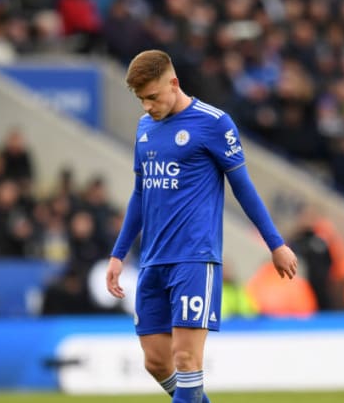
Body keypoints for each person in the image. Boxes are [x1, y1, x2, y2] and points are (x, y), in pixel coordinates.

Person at [105, 49, 298, 403]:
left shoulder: (213, 122)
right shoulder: (145, 127)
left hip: (195, 259)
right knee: (156, 361)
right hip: (152, 260)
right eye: (140, 99)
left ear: (173, 83)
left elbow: (244, 188)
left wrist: (276, 244)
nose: (147, 106)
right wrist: (118, 254)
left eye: (152, 97)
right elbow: (139, 194)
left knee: (186, 359)